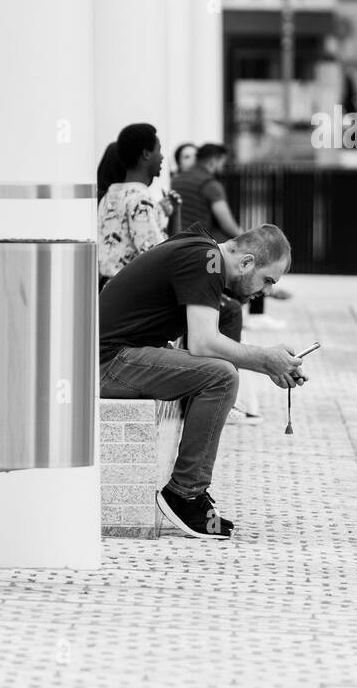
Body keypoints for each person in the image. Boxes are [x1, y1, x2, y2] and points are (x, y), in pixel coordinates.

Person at [99, 223, 305, 538]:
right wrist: (264, 358)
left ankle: (190, 491)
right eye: (267, 281)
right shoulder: (205, 260)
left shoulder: (204, 252)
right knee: (220, 377)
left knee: (225, 338)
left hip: (116, 356)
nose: (265, 291)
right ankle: (185, 494)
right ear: (247, 262)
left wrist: (270, 366)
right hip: (108, 363)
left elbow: (207, 338)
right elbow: (203, 343)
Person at [97, 123, 178, 286]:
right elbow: (157, 256)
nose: (162, 157)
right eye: (159, 150)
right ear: (146, 154)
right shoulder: (140, 200)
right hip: (132, 294)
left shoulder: (110, 195)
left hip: (110, 289)